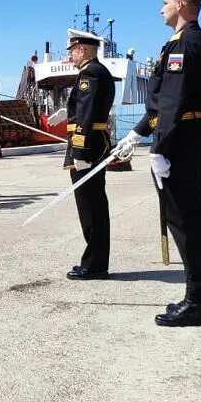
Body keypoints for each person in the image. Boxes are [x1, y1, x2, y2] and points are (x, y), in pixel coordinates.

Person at [118, 0, 201, 327]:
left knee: (186, 219)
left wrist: (160, 148)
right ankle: (195, 297)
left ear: (181, 5)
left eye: (165, 2)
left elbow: (174, 102)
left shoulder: (184, 44)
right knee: (189, 216)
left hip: (182, 140)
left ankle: (196, 303)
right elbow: (163, 102)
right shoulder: (186, 41)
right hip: (188, 134)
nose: (160, 8)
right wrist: (136, 133)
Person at [50, 29, 115, 281]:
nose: (70, 57)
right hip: (94, 143)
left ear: (83, 50)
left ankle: (94, 264)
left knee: (90, 207)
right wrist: (67, 114)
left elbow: (86, 116)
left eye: (72, 51)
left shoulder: (90, 73)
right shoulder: (98, 72)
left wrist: (79, 150)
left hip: (88, 146)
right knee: (94, 204)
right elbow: (88, 109)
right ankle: (96, 261)